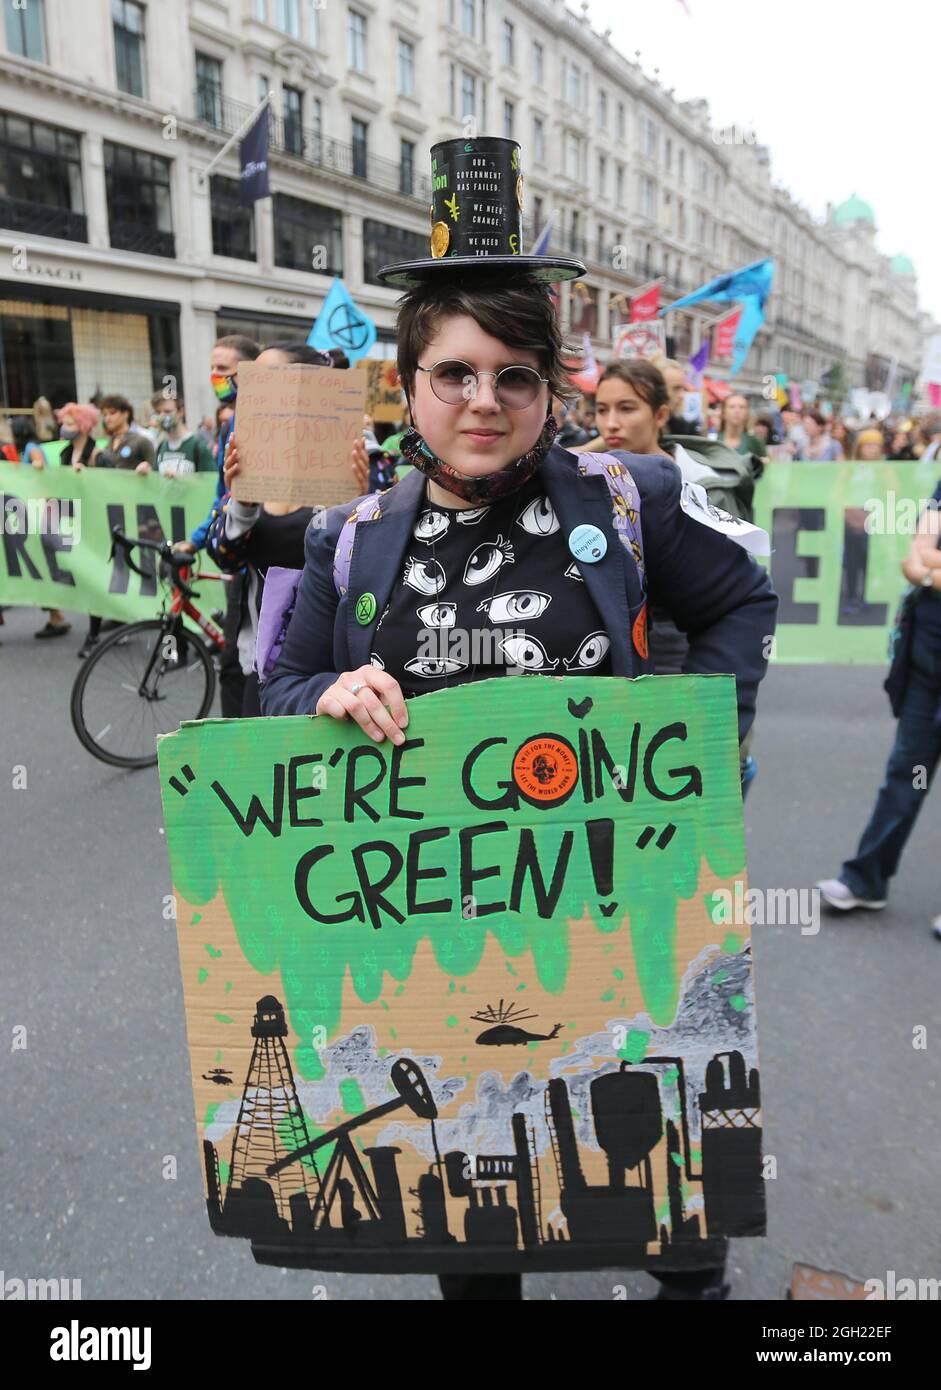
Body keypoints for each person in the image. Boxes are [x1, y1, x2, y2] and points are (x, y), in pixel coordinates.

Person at [260, 135, 778, 1301]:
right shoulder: (349, 538)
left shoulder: (626, 499)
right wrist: (325, 693)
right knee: (473, 1224)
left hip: (618, 916)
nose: (483, 401)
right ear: (409, 380)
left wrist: (699, 743)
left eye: (514, 374)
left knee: (665, 1210)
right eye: (454, 372)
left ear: (550, 386)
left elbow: (741, 598)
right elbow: (278, 691)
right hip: (435, 942)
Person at [817, 479, 941, 934]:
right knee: (907, 773)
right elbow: (915, 556)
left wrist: (930, 568)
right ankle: (866, 880)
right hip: (927, 660)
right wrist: (926, 567)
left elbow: (925, 559)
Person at [204, 341, 334, 717]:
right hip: (260, 664)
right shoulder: (248, 455)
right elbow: (225, 557)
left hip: (330, 672)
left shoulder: (356, 459)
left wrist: (356, 504)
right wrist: (241, 503)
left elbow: (368, 562)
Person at [173, 334, 261, 717]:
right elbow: (222, 497)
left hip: (258, 559)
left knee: (245, 664)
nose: (215, 377)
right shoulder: (230, 424)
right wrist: (197, 540)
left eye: (223, 370)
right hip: (235, 552)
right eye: (212, 369)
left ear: (248, 374)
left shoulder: (258, 421)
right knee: (234, 662)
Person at [8, 416, 72, 640]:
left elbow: (39, 466)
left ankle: (57, 613)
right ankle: (55, 614)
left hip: (40, 510)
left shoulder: (32, 448)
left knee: (43, 561)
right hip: (36, 509)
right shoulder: (26, 448)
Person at [151, 393, 215, 477]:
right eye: (158, 412)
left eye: (167, 411)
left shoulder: (198, 446)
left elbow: (211, 481)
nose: (162, 416)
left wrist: (182, 480)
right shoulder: (161, 447)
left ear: (181, 412)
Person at [96, 396, 155, 472]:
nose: (107, 418)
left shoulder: (141, 441)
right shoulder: (108, 444)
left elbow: (154, 471)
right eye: (105, 415)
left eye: (112, 413)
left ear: (125, 414)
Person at [718, 394, 767, 459]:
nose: (737, 411)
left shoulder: (755, 442)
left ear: (747, 413)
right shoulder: (713, 440)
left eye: (742, 407)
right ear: (723, 413)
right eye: (731, 407)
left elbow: (766, 462)